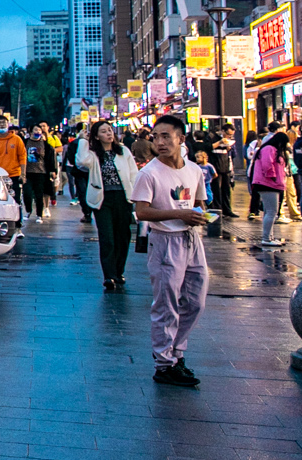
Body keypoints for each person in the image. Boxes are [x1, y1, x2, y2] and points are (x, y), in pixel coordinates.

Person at [132, 114, 210, 387]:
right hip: (165, 242)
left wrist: (200, 215)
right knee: (167, 304)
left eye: (166, 136)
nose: (160, 142)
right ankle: (164, 363)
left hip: (192, 239)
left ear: (181, 139)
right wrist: (180, 215)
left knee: (195, 301)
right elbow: (141, 212)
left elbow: (199, 202)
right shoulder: (149, 173)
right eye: (156, 137)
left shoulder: (194, 170)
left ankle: (176, 353)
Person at [77, 120, 137, 291]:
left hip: (123, 197)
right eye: (103, 131)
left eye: (110, 130)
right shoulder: (93, 154)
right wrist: (82, 140)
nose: (109, 134)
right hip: (102, 199)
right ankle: (109, 275)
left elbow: (133, 173)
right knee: (107, 238)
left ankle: (119, 271)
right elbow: (81, 161)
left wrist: (134, 195)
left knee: (123, 237)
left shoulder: (123, 151)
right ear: (96, 136)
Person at [251, 130, 291, 247]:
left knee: (270, 211)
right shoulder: (269, 149)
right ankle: (266, 238)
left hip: (270, 183)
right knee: (272, 211)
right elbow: (267, 164)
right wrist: (273, 177)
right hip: (268, 184)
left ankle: (269, 236)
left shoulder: (269, 148)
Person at [0, 120, 27, 207]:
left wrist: (23, 174)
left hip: (14, 175)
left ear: (8, 124)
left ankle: (18, 220)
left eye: (4, 122)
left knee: (16, 200)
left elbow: (22, 157)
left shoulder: (17, 139)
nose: (2, 124)